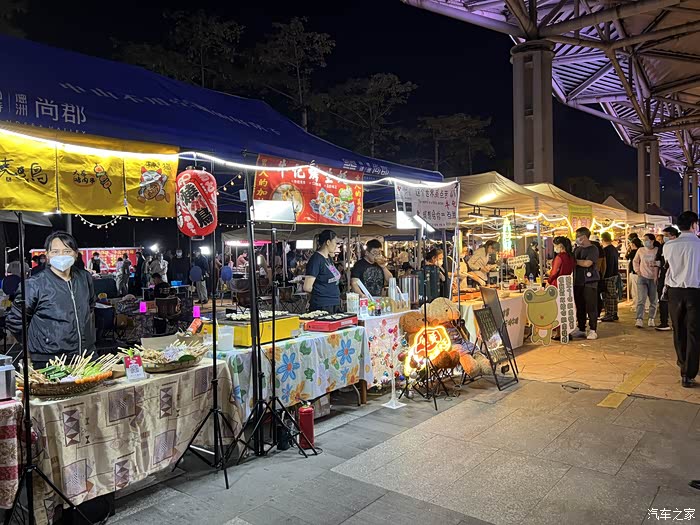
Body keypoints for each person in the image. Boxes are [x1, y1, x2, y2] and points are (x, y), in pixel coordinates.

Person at [6, 231, 96, 370]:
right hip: (50, 360)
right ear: (47, 255)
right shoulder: (34, 284)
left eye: (67, 251)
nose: (61, 255)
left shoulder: (84, 278)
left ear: (76, 254)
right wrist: (38, 343)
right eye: (55, 252)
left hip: (86, 356)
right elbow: (15, 320)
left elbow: (90, 307)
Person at [663, 211, 700, 388]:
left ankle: (683, 365)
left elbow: (669, 268)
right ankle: (689, 373)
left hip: (675, 292)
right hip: (695, 293)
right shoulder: (698, 244)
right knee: (693, 332)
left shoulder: (669, 246)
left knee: (678, 330)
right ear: (694, 225)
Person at [571, 227, 600, 340]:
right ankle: (581, 328)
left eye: (578, 236)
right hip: (577, 281)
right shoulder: (577, 249)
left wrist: (575, 261)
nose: (576, 238)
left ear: (584, 237)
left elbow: (587, 263)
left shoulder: (593, 249)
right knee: (580, 306)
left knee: (591, 306)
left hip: (590, 282)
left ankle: (593, 329)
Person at [303, 230, 341, 313]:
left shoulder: (328, 258)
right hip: (322, 304)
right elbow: (307, 287)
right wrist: (322, 293)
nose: (336, 245)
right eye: (335, 242)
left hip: (334, 302)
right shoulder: (316, 259)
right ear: (328, 242)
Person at [633, 233, 660, 328]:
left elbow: (660, 262)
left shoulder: (657, 250)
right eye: (643, 240)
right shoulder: (640, 250)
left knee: (653, 300)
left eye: (646, 240)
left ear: (652, 241)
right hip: (642, 277)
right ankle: (639, 319)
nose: (644, 242)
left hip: (654, 278)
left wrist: (657, 264)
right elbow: (635, 261)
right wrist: (638, 271)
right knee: (641, 299)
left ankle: (651, 318)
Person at [656, 226, 679, 331]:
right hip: (664, 275)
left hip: (677, 276)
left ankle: (676, 323)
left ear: (673, 235)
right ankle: (664, 322)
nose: (663, 238)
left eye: (666, 236)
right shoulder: (663, 246)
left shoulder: (679, 246)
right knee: (662, 299)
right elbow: (659, 260)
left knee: (676, 301)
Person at [600, 232, 620, 322]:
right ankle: (614, 313)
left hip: (608, 275)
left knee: (608, 296)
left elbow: (604, 265)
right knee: (612, 295)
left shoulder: (606, 250)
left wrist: (602, 275)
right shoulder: (613, 249)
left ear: (602, 239)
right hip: (614, 274)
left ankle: (610, 314)